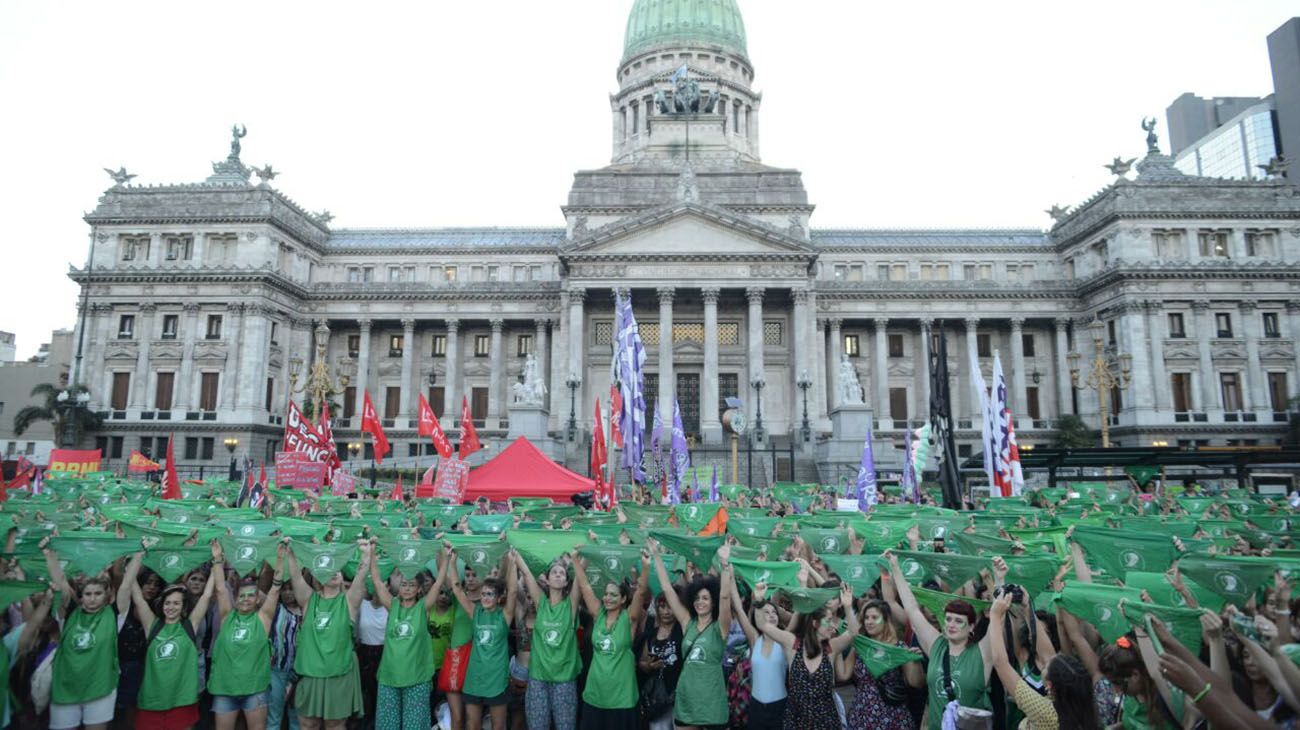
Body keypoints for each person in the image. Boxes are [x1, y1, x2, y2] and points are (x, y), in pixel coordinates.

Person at [885, 550, 993, 730]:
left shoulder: (982, 653)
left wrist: (996, 580)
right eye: (948, 619)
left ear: (971, 627)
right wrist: (895, 567)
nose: (951, 624)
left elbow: (999, 617)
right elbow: (912, 609)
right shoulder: (937, 646)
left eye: (959, 621)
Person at [43, 538, 141, 730]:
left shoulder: (113, 615)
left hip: (100, 689)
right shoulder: (69, 613)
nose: (93, 598)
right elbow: (61, 582)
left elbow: (127, 585)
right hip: (65, 689)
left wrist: (138, 554)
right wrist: (49, 554)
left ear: (106, 595)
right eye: (88, 594)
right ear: (80, 597)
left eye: (98, 593)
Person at [286, 539, 372, 730]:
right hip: (310, 675)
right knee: (308, 724)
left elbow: (361, 576)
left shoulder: (348, 602)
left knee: (335, 725)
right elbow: (295, 577)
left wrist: (366, 554)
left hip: (338, 675)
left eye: (337, 569)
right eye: (328, 568)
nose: (334, 572)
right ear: (318, 575)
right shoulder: (309, 600)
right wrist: (291, 554)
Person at [130, 544, 218, 730]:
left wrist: (217, 560)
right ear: (162, 605)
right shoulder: (152, 625)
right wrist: (137, 555)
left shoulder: (189, 626)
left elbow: (207, 595)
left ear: (183, 606)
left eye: (176, 603)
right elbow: (137, 595)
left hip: (182, 700)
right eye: (168, 603)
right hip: (151, 701)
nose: (171, 607)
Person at [650, 540, 733, 730]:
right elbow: (668, 590)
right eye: (696, 598)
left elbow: (725, 597)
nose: (700, 602)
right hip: (687, 698)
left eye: (705, 598)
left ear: (713, 601)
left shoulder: (720, 627)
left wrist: (725, 565)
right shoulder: (688, 622)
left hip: (712, 702)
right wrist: (656, 555)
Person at [988, 593, 1099, 730]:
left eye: (1046, 667)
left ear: (1049, 685)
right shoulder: (1083, 708)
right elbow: (1048, 655)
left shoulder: (1045, 712)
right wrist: (1028, 607)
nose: (1047, 660)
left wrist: (994, 616)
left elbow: (1001, 664)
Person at [755, 583, 858, 730]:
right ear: (815, 623)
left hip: (827, 722)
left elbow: (853, 632)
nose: (833, 626)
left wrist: (848, 606)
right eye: (828, 621)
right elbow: (763, 625)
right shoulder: (792, 643)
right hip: (796, 722)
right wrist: (759, 600)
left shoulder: (832, 647)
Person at [368, 541, 447, 730]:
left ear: (419, 589)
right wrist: (371, 553)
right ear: (399, 586)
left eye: (412, 585)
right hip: (389, 677)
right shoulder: (392, 605)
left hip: (417, 679)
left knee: (414, 727)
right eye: (404, 584)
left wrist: (444, 554)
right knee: (388, 726)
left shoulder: (423, 607)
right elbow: (377, 582)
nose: (407, 588)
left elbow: (439, 582)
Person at [209, 542, 285, 730]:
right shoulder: (227, 616)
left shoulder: (263, 618)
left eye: (251, 596)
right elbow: (220, 588)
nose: (246, 599)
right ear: (235, 599)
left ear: (258, 598)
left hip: (255, 690)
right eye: (241, 596)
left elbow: (275, 589)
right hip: (225, 689)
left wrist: (280, 559)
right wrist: (218, 559)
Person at [572, 547, 650, 730]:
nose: (607, 598)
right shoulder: (598, 615)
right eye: (606, 594)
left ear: (623, 599)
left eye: (613, 595)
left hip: (621, 699)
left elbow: (640, 592)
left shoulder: (629, 619)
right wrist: (576, 559)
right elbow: (585, 586)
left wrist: (645, 568)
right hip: (594, 696)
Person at [451, 547, 519, 730]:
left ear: (498, 598)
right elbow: (457, 590)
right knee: (472, 725)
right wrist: (452, 561)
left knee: (498, 726)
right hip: (474, 679)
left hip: (496, 680)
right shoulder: (475, 612)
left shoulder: (504, 615)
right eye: (483, 594)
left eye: (490, 594)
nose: (485, 597)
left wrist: (513, 562)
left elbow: (512, 591)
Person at [514, 551, 582, 730]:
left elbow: (581, 576)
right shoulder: (541, 603)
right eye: (554, 572)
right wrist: (514, 550)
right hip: (538, 678)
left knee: (565, 727)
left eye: (562, 573)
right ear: (547, 579)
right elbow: (527, 574)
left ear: (566, 582)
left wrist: (583, 551)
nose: (558, 574)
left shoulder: (570, 606)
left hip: (564, 680)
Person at [840, 599, 921, 730]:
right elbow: (843, 675)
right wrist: (835, 649)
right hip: (861, 715)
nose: (869, 622)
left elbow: (916, 683)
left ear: (886, 620)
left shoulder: (899, 648)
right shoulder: (860, 648)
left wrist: (916, 663)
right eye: (866, 618)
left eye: (874, 617)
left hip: (892, 716)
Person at [724, 575, 786, 730]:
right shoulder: (754, 639)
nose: (771, 615)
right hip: (756, 708)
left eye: (774, 612)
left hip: (780, 708)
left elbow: (801, 617)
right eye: (766, 612)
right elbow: (738, 606)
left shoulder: (786, 640)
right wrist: (729, 575)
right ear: (758, 615)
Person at [637, 591, 683, 730]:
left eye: (670, 607)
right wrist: (650, 666)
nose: (666, 611)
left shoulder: (683, 631)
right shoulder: (651, 634)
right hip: (658, 698)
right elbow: (642, 663)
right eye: (662, 607)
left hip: (679, 694)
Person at [267, 579, 302, 730]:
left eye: (291, 588)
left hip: (301, 673)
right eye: (284, 589)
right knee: (274, 715)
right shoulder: (276, 608)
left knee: (297, 717)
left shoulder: (309, 609)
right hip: (277, 670)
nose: (287, 593)